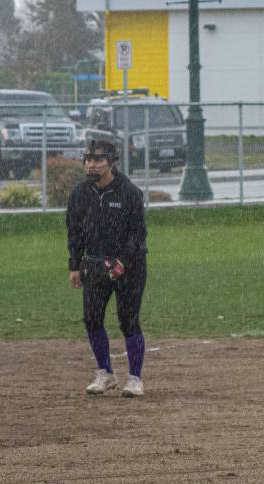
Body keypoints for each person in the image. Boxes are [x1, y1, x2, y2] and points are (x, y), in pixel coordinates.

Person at [66, 139, 148, 397]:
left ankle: (134, 378)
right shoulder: (80, 193)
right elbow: (75, 232)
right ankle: (105, 373)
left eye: (99, 160)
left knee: (128, 321)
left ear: (111, 162)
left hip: (130, 267)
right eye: (89, 159)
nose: (92, 165)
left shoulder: (129, 192)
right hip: (94, 265)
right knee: (92, 319)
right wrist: (75, 265)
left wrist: (123, 261)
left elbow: (138, 235)